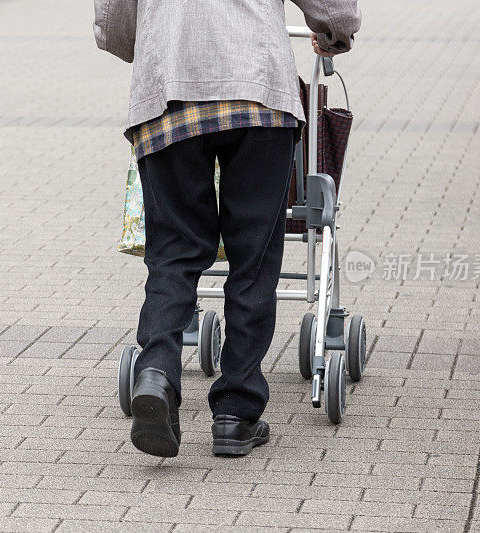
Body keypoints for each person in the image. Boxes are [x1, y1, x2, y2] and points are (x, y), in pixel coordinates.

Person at [94, 0, 361, 458]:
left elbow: (115, 29)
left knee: (174, 252)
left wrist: (154, 39)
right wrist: (334, 32)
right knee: (253, 258)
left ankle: (157, 371)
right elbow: (332, 10)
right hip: (258, 95)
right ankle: (236, 414)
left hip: (167, 100)